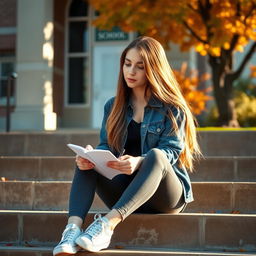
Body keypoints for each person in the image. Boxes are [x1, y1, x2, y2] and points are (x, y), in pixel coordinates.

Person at [53, 36, 201, 256]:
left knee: (157, 155)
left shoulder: (172, 109)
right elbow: (108, 148)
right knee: (88, 160)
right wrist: (93, 156)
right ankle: (72, 231)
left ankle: (107, 226)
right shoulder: (113, 106)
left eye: (140, 66)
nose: (131, 71)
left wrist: (140, 162)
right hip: (127, 194)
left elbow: (170, 152)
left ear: (153, 69)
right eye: (127, 64)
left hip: (165, 197)